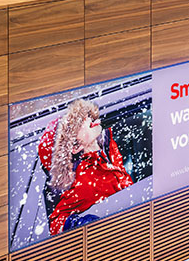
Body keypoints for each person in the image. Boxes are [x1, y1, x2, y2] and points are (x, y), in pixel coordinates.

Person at [38, 98, 134, 237]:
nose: (88, 119)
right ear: (75, 146)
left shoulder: (106, 148)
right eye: (79, 122)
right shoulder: (80, 180)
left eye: (87, 115)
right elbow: (56, 223)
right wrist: (77, 225)